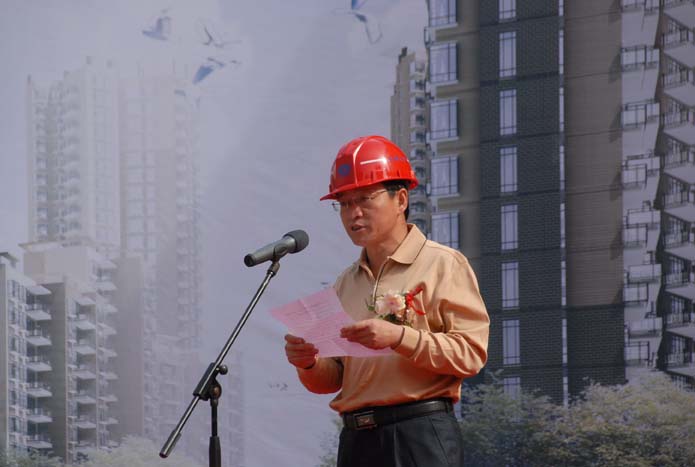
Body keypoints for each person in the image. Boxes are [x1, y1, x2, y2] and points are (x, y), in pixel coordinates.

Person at [284, 135, 489, 467]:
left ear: (401, 199)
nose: (353, 213)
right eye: (344, 203)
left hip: (418, 434)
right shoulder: (345, 283)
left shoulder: (442, 264)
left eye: (365, 199)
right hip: (356, 440)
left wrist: (398, 337)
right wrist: (308, 363)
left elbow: (471, 354)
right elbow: (334, 378)